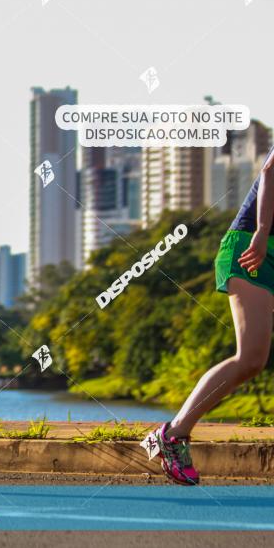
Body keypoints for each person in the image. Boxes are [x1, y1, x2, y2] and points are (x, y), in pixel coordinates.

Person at [147, 147, 274, 485]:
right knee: (250, 358)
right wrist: (261, 230)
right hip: (252, 246)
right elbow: (269, 172)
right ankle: (173, 434)